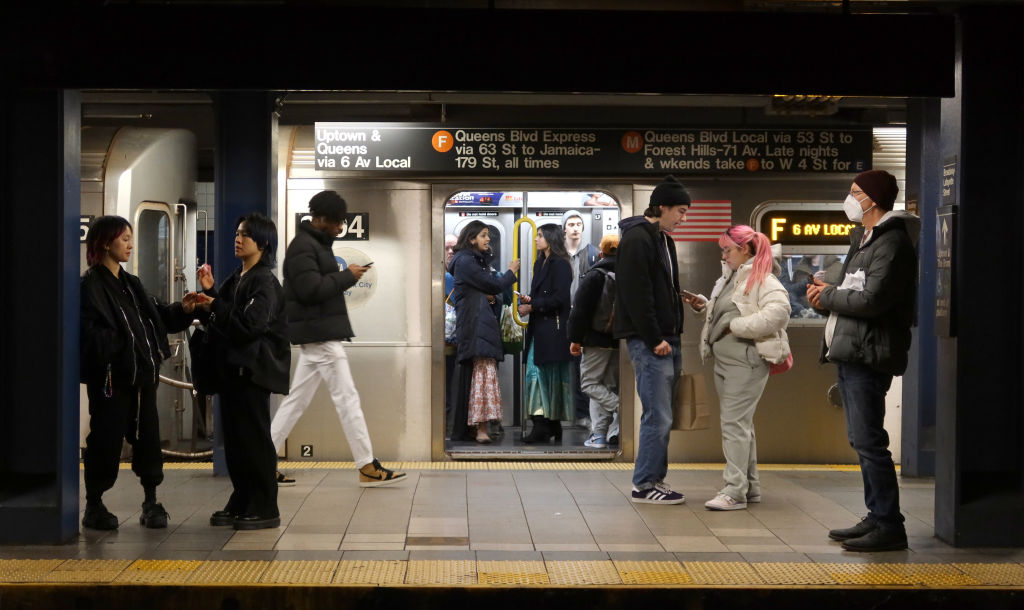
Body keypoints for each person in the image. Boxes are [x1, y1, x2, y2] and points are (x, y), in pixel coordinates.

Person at [806, 169, 919, 552]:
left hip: (869, 353)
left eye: (856, 192)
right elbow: (854, 292)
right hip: (854, 349)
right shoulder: (867, 240)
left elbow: (872, 300)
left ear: (873, 199)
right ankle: (876, 515)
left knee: (870, 442)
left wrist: (828, 297)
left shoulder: (891, 244)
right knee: (862, 439)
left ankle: (890, 525)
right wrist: (827, 296)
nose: (850, 199)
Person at [268, 191, 406, 487]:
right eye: (337, 222)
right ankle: (367, 465)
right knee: (347, 398)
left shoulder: (313, 245)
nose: (341, 227)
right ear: (321, 219)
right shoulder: (304, 248)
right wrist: (347, 276)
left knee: (296, 401)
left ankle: (263, 461)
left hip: (318, 334)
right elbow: (309, 290)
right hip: (320, 336)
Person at [80, 215, 200, 530]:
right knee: (105, 439)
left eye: (131, 238)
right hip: (111, 379)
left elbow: (158, 315)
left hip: (142, 378)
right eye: (124, 239)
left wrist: (184, 310)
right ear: (105, 242)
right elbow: (89, 334)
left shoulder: (131, 284)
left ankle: (151, 501)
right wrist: (121, 345)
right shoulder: (90, 285)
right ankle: (94, 504)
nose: (130, 245)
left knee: (147, 438)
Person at [195, 212, 291, 530]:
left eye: (245, 235)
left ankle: (265, 506)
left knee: (254, 441)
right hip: (234, 372)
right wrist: (211, 292)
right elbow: (227, 312)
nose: (238, 238)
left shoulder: (264, 281)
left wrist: (214, 304)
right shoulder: (238, 277)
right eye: (237, 233)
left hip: (253, 372)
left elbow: (249, 325)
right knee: (236, 442)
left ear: (263, 242)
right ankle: (242, 499)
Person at [688, 226, 791, 510]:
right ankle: (750, 486)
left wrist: (736, 327)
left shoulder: (763, 278)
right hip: (726, 361)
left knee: (733, 425)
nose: (723, 255)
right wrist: (705, 307)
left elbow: (779, 313)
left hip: (745, 361)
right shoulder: (731, 278)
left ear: (745, 249)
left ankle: (734, 491)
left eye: (727, 250)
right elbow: (729, 312)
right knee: (740, 425)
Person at [616, 175, 690, 504]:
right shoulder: (637, 239)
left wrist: (681, 301)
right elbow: (635, 293)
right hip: (652, 341)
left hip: (668, 337)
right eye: (681, 211)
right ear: (662, 207)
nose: (683, 218)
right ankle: (644, 484)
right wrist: (653, 337)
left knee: (664, 414)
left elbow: (659, 288)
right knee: (656, 415)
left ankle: (656, 478)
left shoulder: (663, 240)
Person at [448, 221, 520, 443]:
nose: (488, 240)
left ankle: (473, 428)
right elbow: (493, 285)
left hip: (478, 325)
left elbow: (486, 289)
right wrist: (511, 272)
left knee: (477, 377)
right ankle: (480, 428)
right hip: (477, 326)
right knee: (482, 377)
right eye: (483, 236)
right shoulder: (467, 261)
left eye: (488, 235)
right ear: (471, 239)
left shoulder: (471, 261)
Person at [518, 224, 574, 443]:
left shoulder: (560, 264)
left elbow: (561, 299)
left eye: (540, 236)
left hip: (553, 328)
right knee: (544, 375)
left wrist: (533, 306)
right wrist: (530, 300)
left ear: (550, 239)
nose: (536, 239)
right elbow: (543, 294)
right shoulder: (540, 262)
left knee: (538, 375)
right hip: (541, 328)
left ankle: (542, 425)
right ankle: (551, 425)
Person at [568, 233, 621, 449]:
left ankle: (622, 408)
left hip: (595, 339)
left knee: (589, 384)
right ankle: (599, 435)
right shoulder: (628, 274)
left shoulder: (595, 274)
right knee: (606, 385)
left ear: (601, 252)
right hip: (619, 340)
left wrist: (575, 339)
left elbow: (580, 311)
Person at [561, 210, 600, 430]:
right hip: (561, 317)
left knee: (582, 368)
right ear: (564, 228)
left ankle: (583, 413)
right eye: (571, 224)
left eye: (578, 224)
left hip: (584, 319)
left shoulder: (593, 254)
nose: (575, 228)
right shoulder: (559, 255)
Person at [443, 233, 458, 433]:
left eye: (454, 248)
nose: (450, 252)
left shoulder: (452, 277)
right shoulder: (448, 278)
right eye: (446, 248)